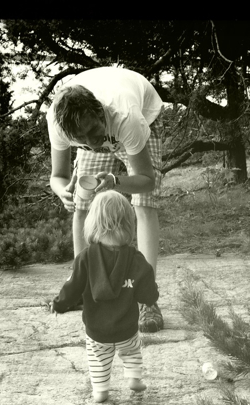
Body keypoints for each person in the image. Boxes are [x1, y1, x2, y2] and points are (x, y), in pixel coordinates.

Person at [47, 66, 164, 332]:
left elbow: (146, 180)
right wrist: (63, 191)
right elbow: (58, 176)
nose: (91, 143)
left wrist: (115, 181)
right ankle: (82, 287)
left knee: (144, 203)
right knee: (82, 204)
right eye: (81, 139)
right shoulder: (59, 125)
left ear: (100, 112)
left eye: (92, 132)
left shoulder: (126, 117)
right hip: (105, 123)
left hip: (144, 117)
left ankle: (147, 300)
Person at [50, 191, 159, 403]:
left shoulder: (85, 258)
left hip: (97, 330)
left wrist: (59, 304)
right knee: (132, 351)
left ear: (93, 224)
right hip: (127, 328)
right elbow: (147, 288)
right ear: (129, 224)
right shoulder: (136, 258)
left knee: (97, 358)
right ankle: (134, 378)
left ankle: (100, 390)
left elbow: (72, 286)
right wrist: (151, 297)